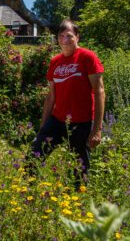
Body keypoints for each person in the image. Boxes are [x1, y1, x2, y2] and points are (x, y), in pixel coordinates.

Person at [32, 19, 105, 182]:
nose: (65, 39)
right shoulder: (55, 62)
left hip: (82, 122)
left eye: (69, 36)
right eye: (61, 35)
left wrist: (97, 129)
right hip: (57, 120)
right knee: (35, 154)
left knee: (80, 169)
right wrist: (43, 126)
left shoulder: (88, 57)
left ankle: (79, 199)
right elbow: (51, 96)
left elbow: (99, 92)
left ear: (77, 37)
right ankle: (28, 193)